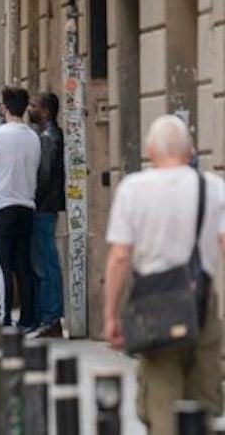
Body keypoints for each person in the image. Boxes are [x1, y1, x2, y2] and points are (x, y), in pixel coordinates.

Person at [103, 116, 225, 435]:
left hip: (153, 304)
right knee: (204, 397)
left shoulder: (134, 189)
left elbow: (119, 257)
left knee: (161, 398)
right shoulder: (213, 188)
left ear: (149, 150)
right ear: (190, 150)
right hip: (201, 302)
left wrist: (111, 315)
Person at [0, 87, 41, 329]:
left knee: (0, 265)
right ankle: (29, 318)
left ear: (4, 108)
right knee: (23, 265)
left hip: (1, 205)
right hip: (26, 205)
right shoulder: (33, 136)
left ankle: (4, 318)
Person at [28, 91, 65, 339]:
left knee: (45, 263)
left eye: (34, 106)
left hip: (43, 207)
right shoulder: (48, 135)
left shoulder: (48, 137)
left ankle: (51, 318)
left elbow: (44, 174)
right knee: (44, 261)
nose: (30, 108)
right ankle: (47, 317)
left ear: (46, 112)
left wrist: (32, 198)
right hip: (46, 206)